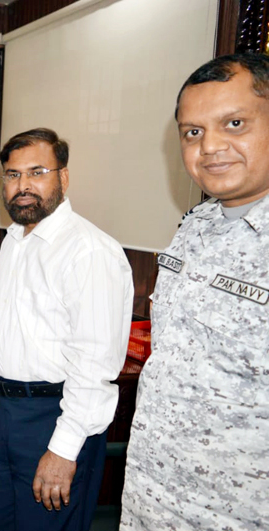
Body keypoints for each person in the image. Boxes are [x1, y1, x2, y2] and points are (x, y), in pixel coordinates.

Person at [0, 128, 134, 531]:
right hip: (0, 410)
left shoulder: (88, 251)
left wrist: (63, 450)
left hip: (52, 417)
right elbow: (5, 305)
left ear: (63, 178)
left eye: (37, 172)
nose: (22, 187)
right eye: (13, 175)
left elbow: (94, 365)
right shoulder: (16, 239)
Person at [120, 52, 269, 531]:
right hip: (153, 501)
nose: (210, 148)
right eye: (193, 132)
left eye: (235, 123)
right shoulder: (194, 227)